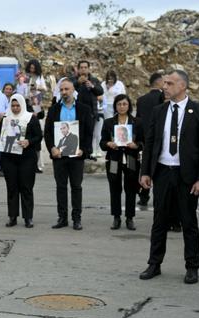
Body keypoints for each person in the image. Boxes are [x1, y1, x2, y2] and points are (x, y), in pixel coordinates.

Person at [139, 70, 199, 284]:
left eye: (170, 83)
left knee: (188, 221)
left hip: (186, 176)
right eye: (164, 83)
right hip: (163, 171)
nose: (165, 86)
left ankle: (192, 267)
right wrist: (146, 172)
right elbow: (150, 142)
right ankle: (154, 264)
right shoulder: (158, 111)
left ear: (182, 86)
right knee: (159, 221)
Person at [44, 79, 94, 230]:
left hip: (77, 155)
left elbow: (88, 133)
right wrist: (52, 148)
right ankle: (62, 218)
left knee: (76, 187)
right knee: (61, 187)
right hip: (59, 155)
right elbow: (47, 132)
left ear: (73, 90)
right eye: (62, 90)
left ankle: (77, 218)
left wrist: (84, 150)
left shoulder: (83, 109)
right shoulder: (54, 110)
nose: (64, 92)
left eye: (67, 89)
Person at [99, 94, 143, 231]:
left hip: (131, 159)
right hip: (114, 159)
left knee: (131, 188)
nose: (122, 106)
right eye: (119, 104)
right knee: (115, 188)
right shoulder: (108, 123)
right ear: (115, 106)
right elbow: (102, 143)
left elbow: (144, 142)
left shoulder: (137, 122)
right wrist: (109, 144)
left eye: (124, 104)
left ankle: (130, 218)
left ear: (129, 105)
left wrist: (136, 146)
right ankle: (116, 217)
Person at [0, 94, 43, 228]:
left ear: (22, 105)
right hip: (9, 158)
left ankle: (28, 217)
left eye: (18, 105)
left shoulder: (30, 118)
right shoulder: (6, 119)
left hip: (27, 158)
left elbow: (39, 136)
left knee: (26, 188)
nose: (15, 108)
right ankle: (12, 216)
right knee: (12, 188)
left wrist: (28, 141)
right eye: (13, 105)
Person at [135, 72, 165, 208]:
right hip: (161, 138)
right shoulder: (163, 97)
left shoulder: (141, 100)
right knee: (159, 168)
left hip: (146, 139)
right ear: (159, 83)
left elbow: (138, 120)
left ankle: (143, 195)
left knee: (146, 167)